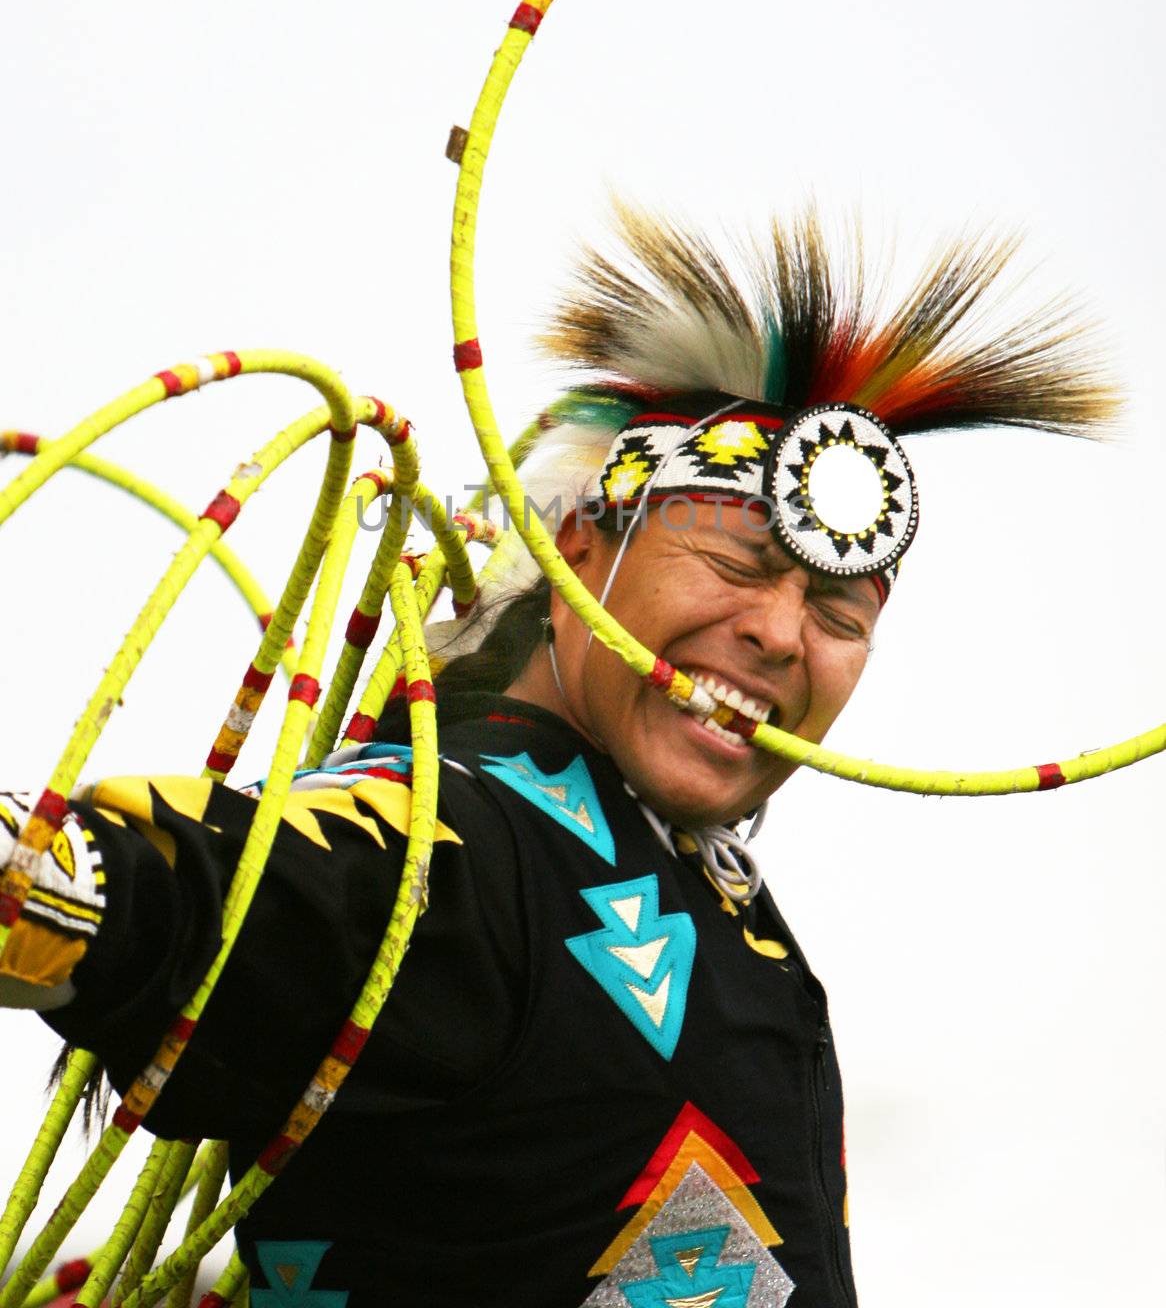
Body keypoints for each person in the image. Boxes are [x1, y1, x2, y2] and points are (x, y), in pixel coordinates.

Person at [0, 209, 1116, 1307]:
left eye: (835, 610)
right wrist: (66, 886)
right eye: (734, 562)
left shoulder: (722, 904)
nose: (780, 632)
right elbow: (236, 896)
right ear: (577, 545)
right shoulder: (463, 834)